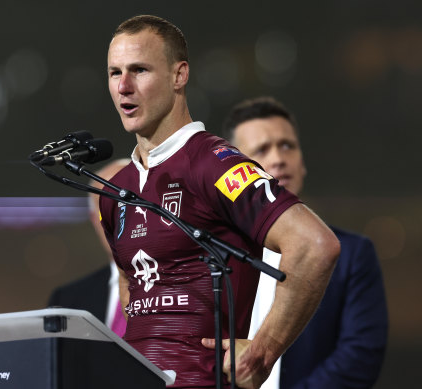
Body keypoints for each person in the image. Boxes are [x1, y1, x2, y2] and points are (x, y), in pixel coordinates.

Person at [100, 15, 340, 388]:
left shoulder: (213, 163)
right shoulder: (117, 191)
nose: (124, 87)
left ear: (179, 76)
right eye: (115, 73)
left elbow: (314, 245)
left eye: (140, 70)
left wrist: (264, 351)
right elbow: (133, 291)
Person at [223, 96, 388, 388]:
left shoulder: (352, 254)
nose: (278, 158)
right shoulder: (214, 256)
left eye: (287, 145)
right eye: (262, 149)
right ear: (236, 172)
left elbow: (359, 356)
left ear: (302, 162)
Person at [47, 158, 131, 337]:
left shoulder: (191, 287)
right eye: (107, 210)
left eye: (127, 206)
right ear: (94, 220)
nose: (118, 219)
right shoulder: (66, 302)